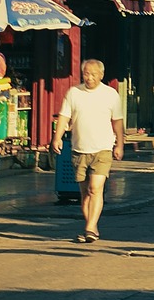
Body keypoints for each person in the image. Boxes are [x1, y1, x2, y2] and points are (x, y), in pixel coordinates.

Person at [52, 59, 125, 243]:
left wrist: (120, 144)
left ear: (101, 75)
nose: (90, 78)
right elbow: (64, 117)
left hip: (102, 148)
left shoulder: (110, 94)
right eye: (86, 74)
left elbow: (117, 121)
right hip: (79, 148)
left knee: (95, 188)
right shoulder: (74, 93)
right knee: (85, 194)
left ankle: (90, 227)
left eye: (93, 74)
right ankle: (92, 227)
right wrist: (57, 137)